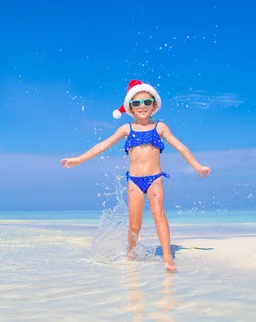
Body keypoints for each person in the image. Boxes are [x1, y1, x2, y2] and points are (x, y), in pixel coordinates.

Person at [61, 79, 211, 272]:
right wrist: (78, 160)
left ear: (154, 105)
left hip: (155, 178)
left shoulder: (160, 127)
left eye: (146, 102)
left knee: (159, 215)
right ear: (130, 107)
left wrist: (198, 166)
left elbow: (181, 147)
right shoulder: (126, 129)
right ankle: (130, 252)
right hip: (134, 181)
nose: (142, 106)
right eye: (136, 103)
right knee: (134, 223)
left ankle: (167, 256)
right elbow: (102, 146)